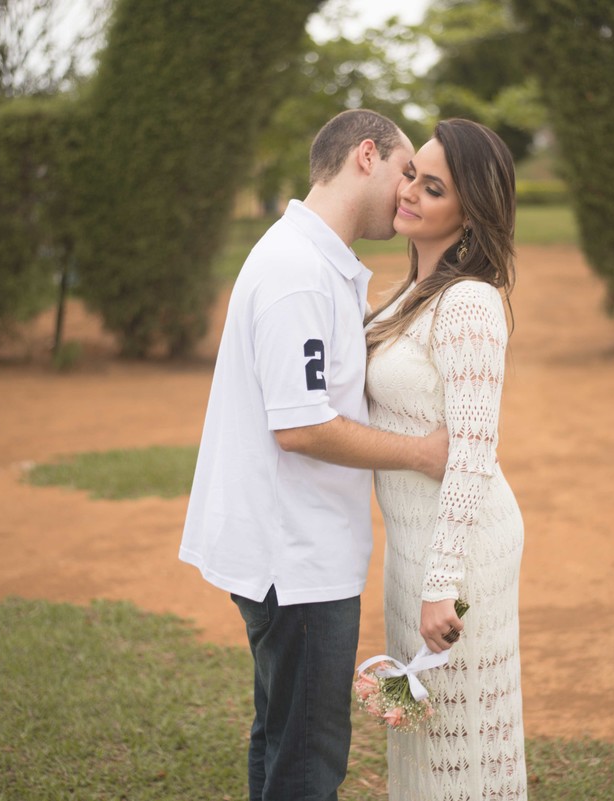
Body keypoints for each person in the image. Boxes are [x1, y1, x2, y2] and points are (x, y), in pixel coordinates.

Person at [179, 109, 449, 801]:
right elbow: (300, 426)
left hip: (294, 551)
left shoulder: (310, 259)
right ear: (367, 155)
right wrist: (420, 452)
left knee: (282, 736)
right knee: (308, 758)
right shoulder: (298, 270)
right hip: (294, 558)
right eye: (406, 171)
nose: (410, 190)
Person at [364, 119, 527, 799]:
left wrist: (441, 582)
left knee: (465, 745)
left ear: (470, 213)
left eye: (434, 189)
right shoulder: (410, 295)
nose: (410, 194)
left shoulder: (469, 303)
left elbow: (472, 453)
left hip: (459, 557)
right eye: (412, 176)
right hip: (412, 545)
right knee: (422, 736)